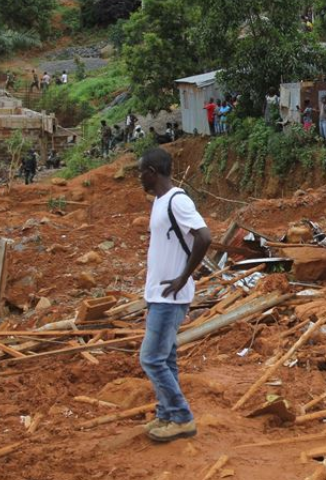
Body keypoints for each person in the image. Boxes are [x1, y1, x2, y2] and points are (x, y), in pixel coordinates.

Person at [137, 148, 211, 442]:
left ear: (152, 173)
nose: (138, 178)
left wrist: (183, 277)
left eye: (141, 172)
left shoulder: (177, 201)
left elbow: (205, 237)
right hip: (159, 294)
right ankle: (166, 414)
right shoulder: (159, 202)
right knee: (165, 359)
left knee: (151, 359)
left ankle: (181, 417)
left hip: (171, 297)